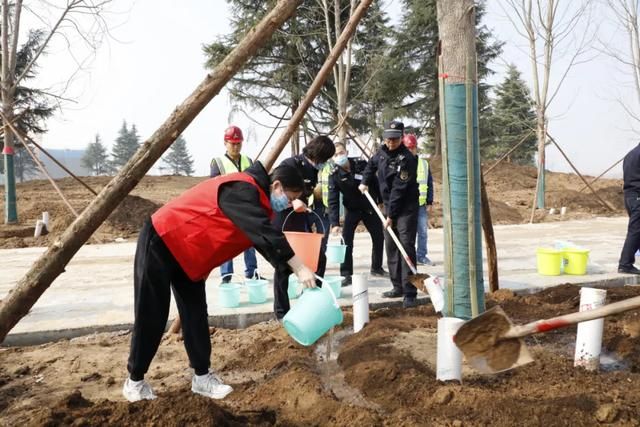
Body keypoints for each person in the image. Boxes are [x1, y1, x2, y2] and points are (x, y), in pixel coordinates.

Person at [122, 162, 316, 403]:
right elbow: (264, 232)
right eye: (290, 198)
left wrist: (293, 269)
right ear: (276, 186)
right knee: (152, 311)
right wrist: (298, 265)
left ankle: (202, 378)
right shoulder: (242, 190)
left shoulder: (258, 204)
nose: (287, 204)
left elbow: (265, 242)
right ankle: (135, 381)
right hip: (162, 239)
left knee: (195, 313)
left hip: (190, 253)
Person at [272, 135, 336, 320]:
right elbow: (276, 192)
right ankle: (281, 313)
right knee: (283, 265)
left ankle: (310, 303)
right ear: (319, 156)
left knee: (319, 260)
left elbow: (306, 194)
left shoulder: (313, 170)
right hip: (284, 220)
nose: (324, 164)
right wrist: (293, 203)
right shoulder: (289, 165)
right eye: (325, 159)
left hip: (301, 220)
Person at [359, 120, 419, 308]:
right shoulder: (381, 153)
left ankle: (410, 291)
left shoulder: (407, 159)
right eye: (387, 139)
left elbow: (399, 191)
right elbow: (370, 167)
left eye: (394, 139)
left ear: (401, 138)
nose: (390, 143)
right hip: (388, 207)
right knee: (391, 246)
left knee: (406, 246)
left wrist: (390, 216)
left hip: (405, 208)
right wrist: (365, 181)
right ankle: (397, 286)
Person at [328, 142, 387, 286]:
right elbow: (333, 200)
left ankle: (377, 267)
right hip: (352, 210)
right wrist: (334, 223)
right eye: (335, 155)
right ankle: (346, 274)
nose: (339, 156)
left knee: (379, 237)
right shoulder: (334, 175)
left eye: (341, 153)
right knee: (346, 242)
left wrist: (381, 201)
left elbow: (376, 181)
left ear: (347, 152)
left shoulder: (361, 164)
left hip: (369, 207)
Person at [210, 125, 263, 282]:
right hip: (227, 210)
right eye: (232, 143)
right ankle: (226, 275)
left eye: (238, 143)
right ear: (225, 143)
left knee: (249, 241)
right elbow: (214, 187)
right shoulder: (218, 163)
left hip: (246, 208)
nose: (236, 146)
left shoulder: (248, 160)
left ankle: (252, 272)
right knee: (227, 243)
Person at [402, 134, 434, 266]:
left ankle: (421, 256)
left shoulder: (424, 164)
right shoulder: (401, 164)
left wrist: (429, 201)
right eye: (408, 148)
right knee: (407, 233)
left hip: (420, 205)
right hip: (405, 205)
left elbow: (429, 183)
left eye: (413, 148)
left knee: (423, 232)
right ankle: (408, 257)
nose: (411, 150)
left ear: (416, 148)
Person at [618, 143, 640, 274]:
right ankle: (625, 264)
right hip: (638, 196)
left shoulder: (630, 154)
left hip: (629, 196)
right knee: (636, 231)